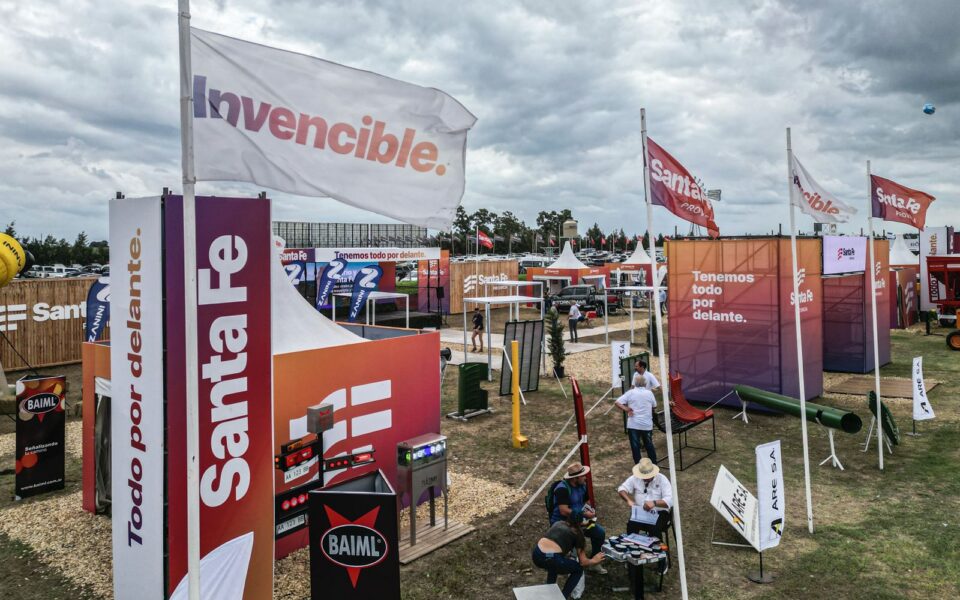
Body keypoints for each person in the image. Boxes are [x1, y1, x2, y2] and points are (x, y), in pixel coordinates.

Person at [550, 463, 607, 572]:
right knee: (575, 542)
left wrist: (589, 510)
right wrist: (584, 514)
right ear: (575, 478)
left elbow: (585, 501)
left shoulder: (582, 485)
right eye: (583, 476)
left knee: (599, 533)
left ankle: (594, 562)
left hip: (580, 521)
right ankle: (572, 566)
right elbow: (563, 510)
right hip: (563, 524)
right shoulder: (562, 489)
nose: (585, 477)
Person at [532, 517, 606, 599]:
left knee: (552, 563)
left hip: (537, 554)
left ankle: (550, 590)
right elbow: (583, 562)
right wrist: (594, 560)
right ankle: (563, 597)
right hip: (552, 559)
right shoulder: (578, 534)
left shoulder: (559, 523)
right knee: (578, 569)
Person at [617, 458, 673, 538]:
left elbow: (670, 500)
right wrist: (628, 500)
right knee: (631, 526)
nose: (645, 478)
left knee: (654, 529)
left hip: (660, 513)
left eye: (648, 476)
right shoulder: (635, 478)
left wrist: (654, 503)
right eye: (643, 476)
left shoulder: (662, 479)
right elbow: (621, 489)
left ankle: (657, 545)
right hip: (641, 512)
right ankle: (634, 544)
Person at [614, 385, 658, 465]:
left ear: (635, 384)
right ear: (645, 384)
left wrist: (627, 409)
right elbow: (655, 406)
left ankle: (638, 466)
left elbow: (617, 402)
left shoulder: (630, 393)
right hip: (646, 424)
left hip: (633, 425)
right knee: (649, 445)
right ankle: (654, 465)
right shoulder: (649, 393)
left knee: (635, 447)